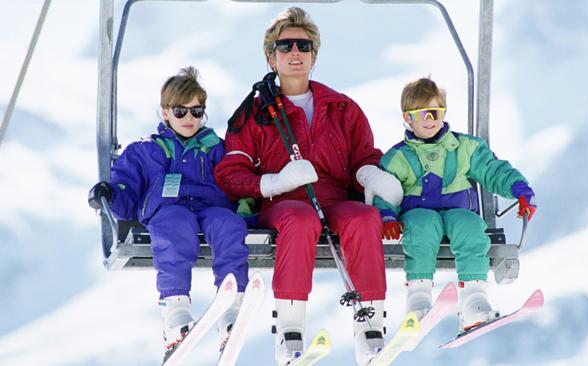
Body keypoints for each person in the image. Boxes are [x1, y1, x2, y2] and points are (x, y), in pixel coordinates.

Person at [213, 7, 403, 365]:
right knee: (300, 220)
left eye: (303, 45)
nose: (295, 53)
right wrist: (275, 182)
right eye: (285, 46)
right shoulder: (253, 115)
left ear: (315, 54)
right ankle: (290, 329)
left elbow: (364, 156)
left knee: (363, 218)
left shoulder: (342, 108)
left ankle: (371, 328)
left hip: (333, 198)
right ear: (271, 57)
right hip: (283, 203)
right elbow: (230, 173)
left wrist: (371, 176)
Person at [87, 66, 249, 358]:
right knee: (173, 228)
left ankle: (232, 311)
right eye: (181, 111)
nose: (190, 119)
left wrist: (249, 204)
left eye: (197, 112)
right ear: (165, 112)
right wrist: (110, 194)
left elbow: (236, 181)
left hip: (209, 208)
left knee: (229, 225)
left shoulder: (216, 148)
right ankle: (176, 314)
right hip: (169, 211)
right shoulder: (146, 151)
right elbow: (127, 191)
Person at [376, 77, 537, 331]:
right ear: (408, 118)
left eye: (435, 112)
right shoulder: (398, 158)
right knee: (422, 226)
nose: (430, 120)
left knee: (471, 226)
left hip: (457, 211)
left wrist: (519, 190)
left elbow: (492, 170)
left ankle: (474, 298)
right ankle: (419, 298)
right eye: (422, 114)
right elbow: (384, 191)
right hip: (418, 214)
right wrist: (387, 218)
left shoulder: (464, 148)